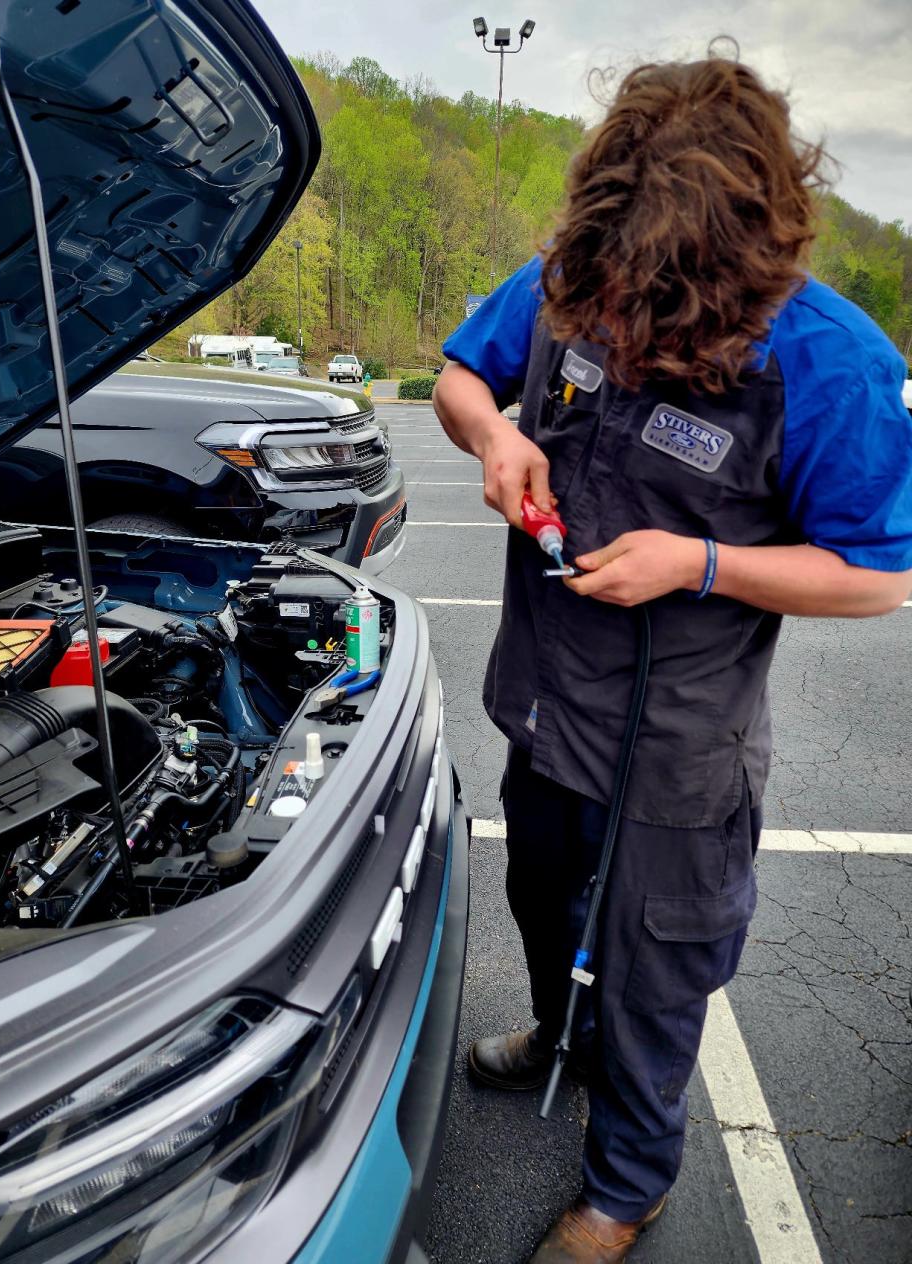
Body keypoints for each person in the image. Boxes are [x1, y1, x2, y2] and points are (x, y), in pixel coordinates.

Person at [433, 55, 912, 1264]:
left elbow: (880, 573)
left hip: (679, 753)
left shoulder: (831, 363)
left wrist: (699, 564)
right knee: (542, 901)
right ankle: (556, 1033)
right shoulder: (573, 278)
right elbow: (454, 374)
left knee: (657, 975)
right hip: (544, 707)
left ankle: (629, 1182)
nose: (617, 326)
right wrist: (493, 435)